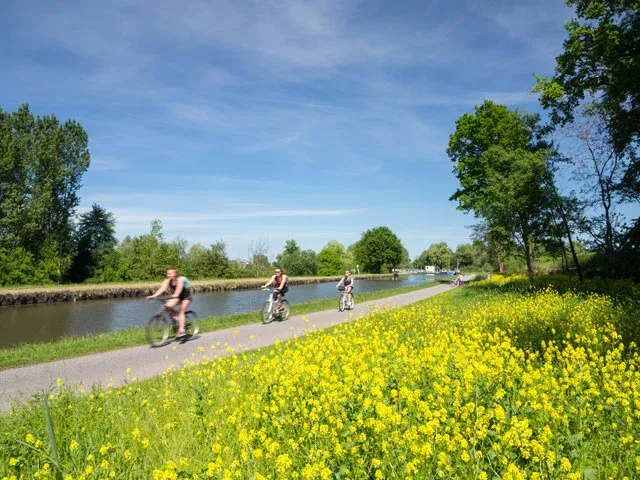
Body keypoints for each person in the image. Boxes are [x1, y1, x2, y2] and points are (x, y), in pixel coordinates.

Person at [147, 269, 192, 340]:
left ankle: (181, 330)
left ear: (175, 274)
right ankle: (176, 319)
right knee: (167, 306)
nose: (168, 275)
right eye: (168, 274)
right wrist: (153, 296)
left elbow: (179, 289)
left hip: (186, 297)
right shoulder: (167, 281)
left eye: (171, 274)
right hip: (177, 296)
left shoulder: (180, 280)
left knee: (181, 311)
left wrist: (175, 294)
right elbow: (162, 289)